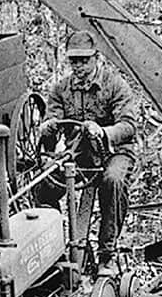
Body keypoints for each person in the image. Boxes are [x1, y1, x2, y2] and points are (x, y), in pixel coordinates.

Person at [35, 31, 140, 275]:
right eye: (74, 61)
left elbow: (129, 126)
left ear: (96, 59)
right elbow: (52, 125)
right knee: (44, 185)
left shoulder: (114, 85)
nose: (79, 66)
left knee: (112, 181)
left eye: (84, 60)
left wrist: (103, 132)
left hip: (115, 153)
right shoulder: (61, 89)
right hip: (79, 156)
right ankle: (57, 247)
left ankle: (107, 254)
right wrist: (48, 128)